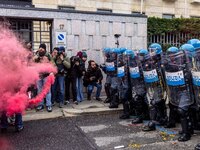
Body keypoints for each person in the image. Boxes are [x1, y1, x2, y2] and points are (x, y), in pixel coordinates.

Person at [163, 46, 194, 141]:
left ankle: (186, 133)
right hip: (181, 91)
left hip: (189, 91)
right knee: (183, 110)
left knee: (183, 110)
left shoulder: (192, 65)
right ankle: (188, 130)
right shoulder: (179, 64)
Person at [142, 43, 167, 131]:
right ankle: (162, 118)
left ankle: (153, 123)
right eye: (150, 51)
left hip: (160, 85)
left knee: (155, 103)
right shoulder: (152, 61)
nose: (151, 53)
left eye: (152, 51)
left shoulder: (162, 61)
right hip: (153, 85)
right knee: (158, 103)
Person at [33, 43, 55, 112]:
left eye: (42, 48)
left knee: (48, 91)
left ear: (45, 49)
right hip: (39, 76)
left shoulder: (48, 55)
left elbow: (53, 64)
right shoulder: (36, 55)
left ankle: (49, 105)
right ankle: (40, 105)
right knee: (40, 91)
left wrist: (51, 71)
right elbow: (33, 64)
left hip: (46, 76)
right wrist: (36, 59)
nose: (41, 49)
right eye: (40, 48)